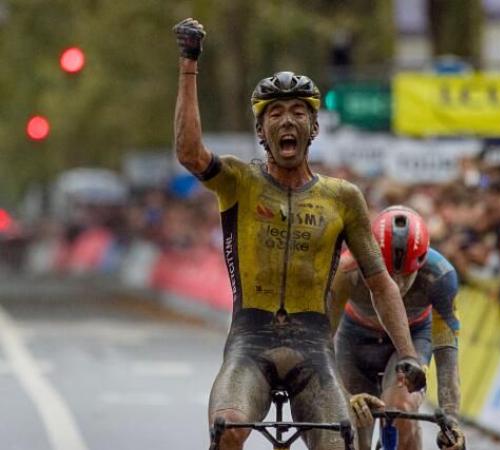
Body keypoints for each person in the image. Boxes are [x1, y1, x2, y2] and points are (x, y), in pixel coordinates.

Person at [172, 18, 426, 450]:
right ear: (261, 131)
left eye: (298, 112)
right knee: (228, 429)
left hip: (314, 348)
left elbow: (381, 280)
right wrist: (189, 63)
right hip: (250, 342)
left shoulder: (342, 197)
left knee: (340, 440)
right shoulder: (238, 180)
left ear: (314, 128)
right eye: (275, 113)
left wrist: (407, 354)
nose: (287, 121)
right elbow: (189, 152)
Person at [330, 206, 465, 450]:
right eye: (388, 273)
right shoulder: (347, 268)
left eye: (406, 275)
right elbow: (322, 335)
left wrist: (451, 419)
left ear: (421, 264)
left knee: (402, 409)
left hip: (412, 338)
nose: (396, 284)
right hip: (354, 339)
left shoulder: (441, 276)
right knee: (351, 424)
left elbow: (446, 351)